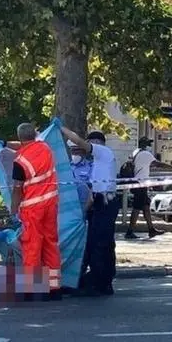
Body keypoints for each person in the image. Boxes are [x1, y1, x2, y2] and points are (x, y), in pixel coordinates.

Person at [59, 124, 121, 296]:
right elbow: (92, 193)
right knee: (96, 243)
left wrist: (62, 129)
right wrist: (84, 212)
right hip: (100, 202)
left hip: (106, 203)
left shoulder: (103, 153)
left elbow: (78, 141)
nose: (87, 147)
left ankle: (101, 283)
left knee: (101, 244)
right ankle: (99, 280)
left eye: (91, 143)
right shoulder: (98, 163)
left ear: (98, 143)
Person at [10, 122, 62, 297]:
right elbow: (28, 142)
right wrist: (5, 144)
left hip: (32, 208)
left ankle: (30, 289)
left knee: (32, 246)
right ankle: (54, 288)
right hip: (51, 204)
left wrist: (13, 210)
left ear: (20, 138)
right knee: (50, 245)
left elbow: (17, 189)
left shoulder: (20, 162)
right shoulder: (45, 148)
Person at [122, 137, 172, 240]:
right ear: (145, 145)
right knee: (136, 208)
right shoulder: (145, 154)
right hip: (140, 184)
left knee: (146, 207)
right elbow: (158, 164)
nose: (150, 146)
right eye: (149, 144)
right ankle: (129, 232)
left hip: (138, 183)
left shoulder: (135, 152)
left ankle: (151, 230)